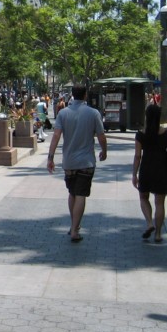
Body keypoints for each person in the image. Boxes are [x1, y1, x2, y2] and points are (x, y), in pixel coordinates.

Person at [46, 84, 108, 243]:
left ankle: (73, 225)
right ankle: (75, 229)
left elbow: (56, 136)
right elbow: (101, 136)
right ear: (86, 95)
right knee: (81, 194)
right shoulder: (94, 113)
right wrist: (104, 150)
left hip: (69, 161)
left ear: (72, 95)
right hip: (86, 161)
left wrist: (50, 157)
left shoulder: (63, 113)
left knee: (72, 193)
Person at [133, 104, 167, 243]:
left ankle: (149, 223)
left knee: (143, 197)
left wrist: (134, 174)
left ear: (146, 116)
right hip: (162, 168)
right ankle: (158, 234)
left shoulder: (140, 134)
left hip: (146, 168)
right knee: (160, 203)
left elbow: (138, 156)